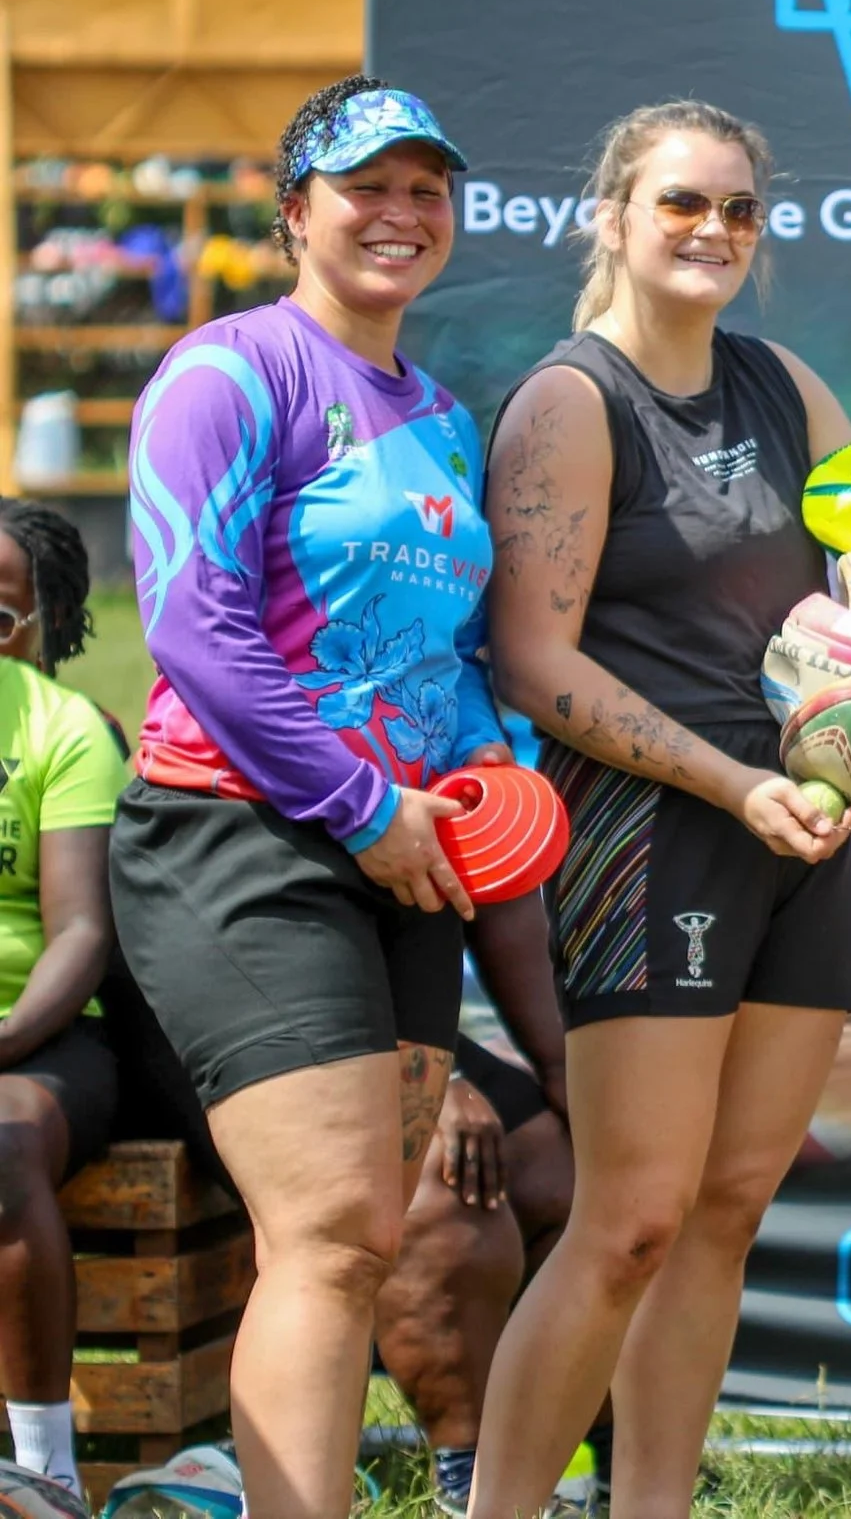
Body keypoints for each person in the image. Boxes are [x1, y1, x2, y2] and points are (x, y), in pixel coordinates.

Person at [470, 99, 851, 1517]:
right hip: (656, 826)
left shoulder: (785, 383)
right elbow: (533, 658)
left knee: (726, 1206)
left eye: (737, 212)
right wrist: (735, 782)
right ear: (614, 218)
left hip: (800, 825)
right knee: (631, 1218)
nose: (712, 232)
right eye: (681, 205)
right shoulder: (569, 402)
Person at [110, 76, 505, 1518]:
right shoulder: (229, 372)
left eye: (426, 191)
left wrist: (488, 780)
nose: (400, 216)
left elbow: (450, 655)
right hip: (240, 835)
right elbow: (195, 629)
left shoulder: (449, 422)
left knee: (354, 1240)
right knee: (333, 1229)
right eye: (365, 187)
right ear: (294, 213)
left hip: (401, 852)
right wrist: (360, 804)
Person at [375, 890, 605, 1519]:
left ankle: (610, 1458)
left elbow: (500, 898)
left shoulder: (463, 790)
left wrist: (564, 1069)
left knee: (580, 1186)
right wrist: (428, 1079)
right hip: (268, 1013)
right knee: (447, 1183)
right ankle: (469, 1479)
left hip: (401, 1019)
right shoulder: (320, 794)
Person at [0, 502, 124, 1498]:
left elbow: (81, 931)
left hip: (41, 1041)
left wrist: (3, 1037)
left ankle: (44, 1475)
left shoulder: (65, 728)